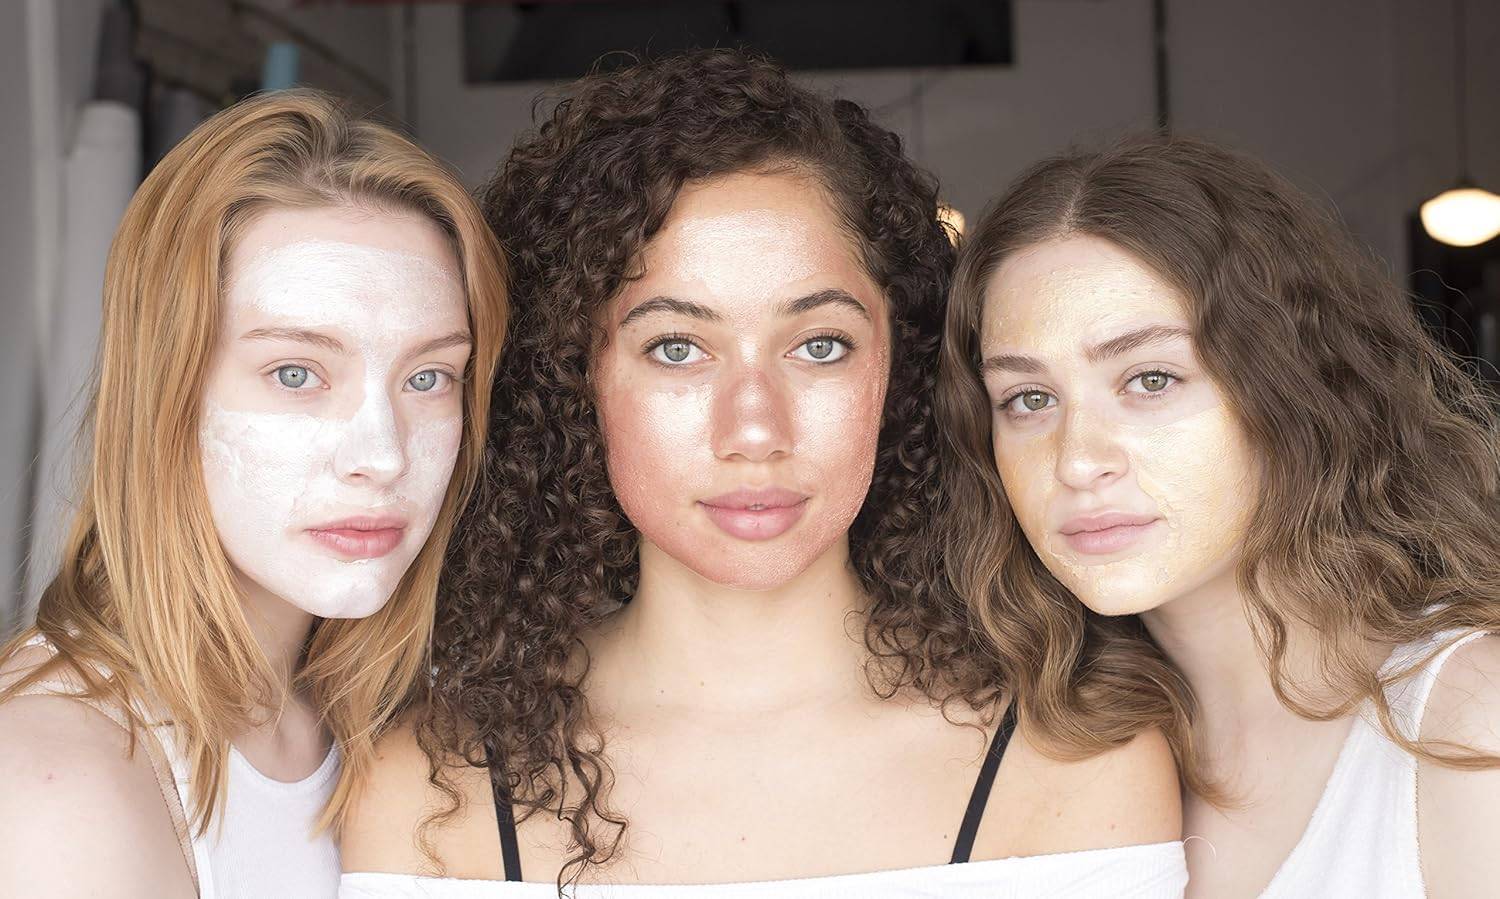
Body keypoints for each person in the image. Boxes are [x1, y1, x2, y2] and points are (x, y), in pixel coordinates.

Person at [340, 50, 1186, 898]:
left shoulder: (1076, 766)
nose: (754, 429)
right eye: (677, 349)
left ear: (900, 368)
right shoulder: (430, 793)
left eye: (819, 346)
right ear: (573, 377)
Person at [937, 134, 1500, 898]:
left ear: (1288, 386)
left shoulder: (1469, 715)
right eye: (1029, 399)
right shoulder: (1040, 750)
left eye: (1150, 378)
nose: (1077, 459)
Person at [0, 89, 507, 898]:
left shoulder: (372, 720)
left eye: (427, 376)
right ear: (168, 393)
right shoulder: (59, 779)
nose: (381, 454)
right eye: (297, 373)